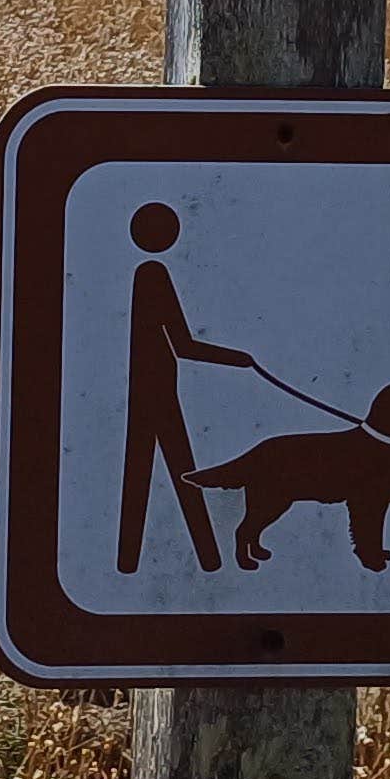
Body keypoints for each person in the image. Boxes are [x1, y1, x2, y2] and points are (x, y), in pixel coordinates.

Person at [119, 201, 256, 572]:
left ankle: (131, 565)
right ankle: (208, 564)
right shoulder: (153, 275)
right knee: (183, 477)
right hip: (156, 394)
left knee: (151, 477)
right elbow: (182, 345)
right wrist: (238, 358)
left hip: (150, 390)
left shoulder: (146, 273)